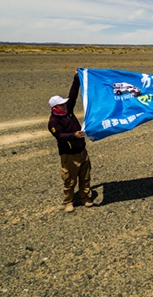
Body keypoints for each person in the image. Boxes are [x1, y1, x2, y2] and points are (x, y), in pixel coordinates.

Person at [48, 70, 93, 213]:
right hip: (69, 155)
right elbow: (60, 136)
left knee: (85, 177)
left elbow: (73, 95)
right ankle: (69, 201)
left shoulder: (68, 111)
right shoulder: (53, 122)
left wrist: (76, 79)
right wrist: (74, 135)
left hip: (82, 150)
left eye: (64, 103)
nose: (65, 105)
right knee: (69, 179)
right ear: (55, 107)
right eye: (62, 104)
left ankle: (85, 198)